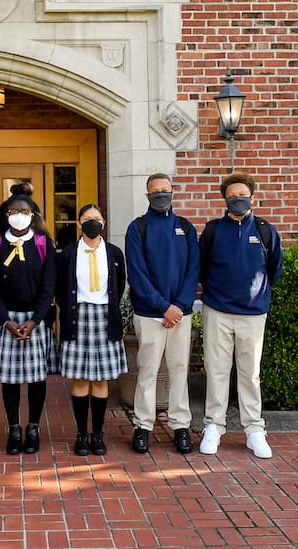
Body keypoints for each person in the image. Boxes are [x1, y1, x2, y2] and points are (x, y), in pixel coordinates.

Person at [198, 172, 283, 459]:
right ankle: (213, 426)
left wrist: (257, 294)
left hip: (253, 314)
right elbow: (203, 268)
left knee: (250, 375)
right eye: (232, 196)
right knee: (217, 370)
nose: (237, 200)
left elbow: (274, 269)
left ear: (252, 197)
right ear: (225, 199)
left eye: (242, 195)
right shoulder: (212, 231)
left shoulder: (265, 230)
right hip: (217, 310)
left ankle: (254, 429)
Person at [124, 172, 199, 455]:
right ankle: (143, 426)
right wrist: (162, 306)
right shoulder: (138, 228)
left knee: (180, 370)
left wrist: (178, 306)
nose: (160, 195)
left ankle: (180, 425)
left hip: (180, 313)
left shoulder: (186, 227)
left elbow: (194, 270)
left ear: (172, 191)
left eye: (165, 190)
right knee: (148, 371)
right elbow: (138, 275)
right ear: (147, 195)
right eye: (155, 191)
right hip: (149, 313)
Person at [0, 182, 57, 455]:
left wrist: (35, 320)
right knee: (10, 379)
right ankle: (14, 428)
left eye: (23, 211)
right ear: (6, 215)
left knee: (37, 379)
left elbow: (49, 287)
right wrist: (7, 321)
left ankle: (33, 427)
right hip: (7, 322)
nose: (18, 215)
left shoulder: (43, 245)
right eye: (13, 211)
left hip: (35, 321)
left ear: (32, 216)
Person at [55, 203, 127, 456]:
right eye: (87, 219)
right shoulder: (68, 254)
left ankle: (98, 434)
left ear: (103, 223)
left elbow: (119, 286)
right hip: (78, 318)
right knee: (81, 379)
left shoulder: (115, 253)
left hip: (105, 318)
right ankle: (81, 434)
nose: (92, 223)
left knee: (100, 379)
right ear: (78, 223)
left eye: (97, 219)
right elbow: (61, 290)